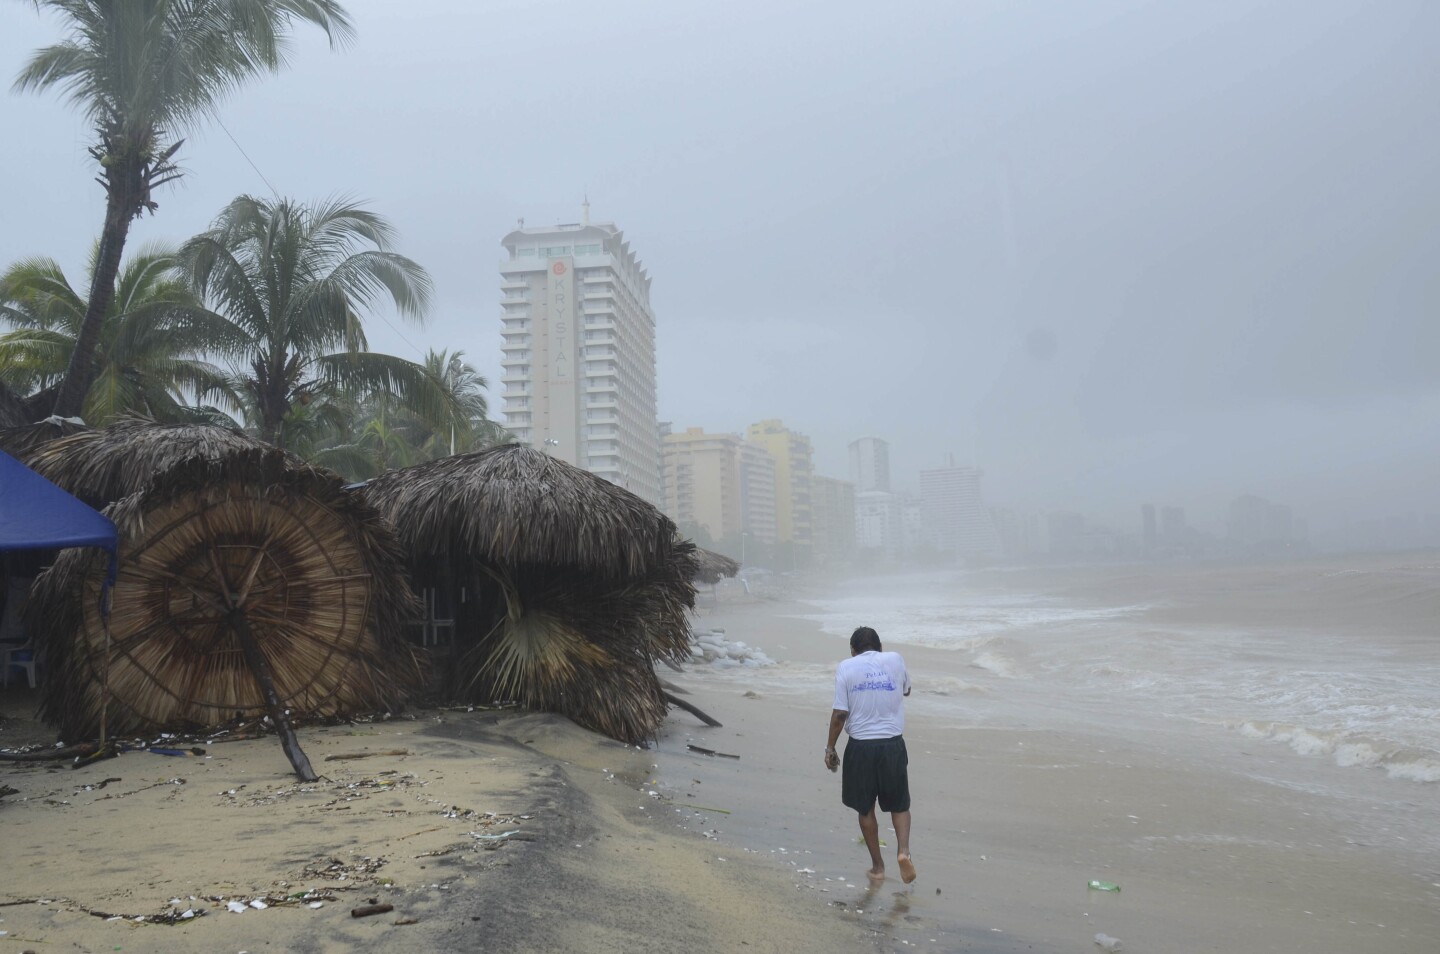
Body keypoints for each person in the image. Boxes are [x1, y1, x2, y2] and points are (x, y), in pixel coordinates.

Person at [825, 625, 915, 884]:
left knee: (866, 808)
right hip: (892, 745)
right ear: (880, 648)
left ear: (853, 651)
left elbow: (840, 714)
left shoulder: (846, 667)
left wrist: (830, 748)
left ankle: (878, 867)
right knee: (900, 804)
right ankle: (904, 852)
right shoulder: (895, 659)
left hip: (861, 748)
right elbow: (906, 690)